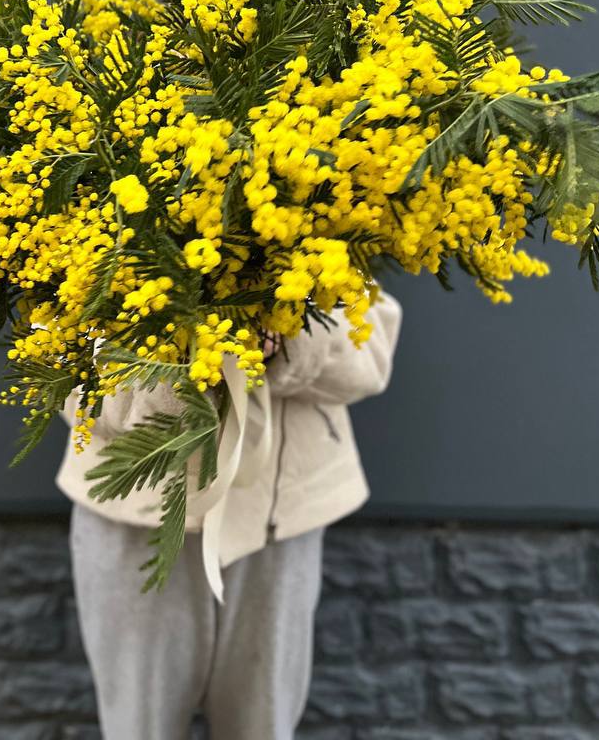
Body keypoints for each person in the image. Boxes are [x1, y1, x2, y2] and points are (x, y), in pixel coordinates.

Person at [55, 286, 404, 740]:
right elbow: (67, 378)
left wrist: (290, 339)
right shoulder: (74, 252)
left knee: (264, 726)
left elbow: (371, 350)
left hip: (280, 516)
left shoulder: (331, 245)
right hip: (133, 518)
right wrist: (186, 365)